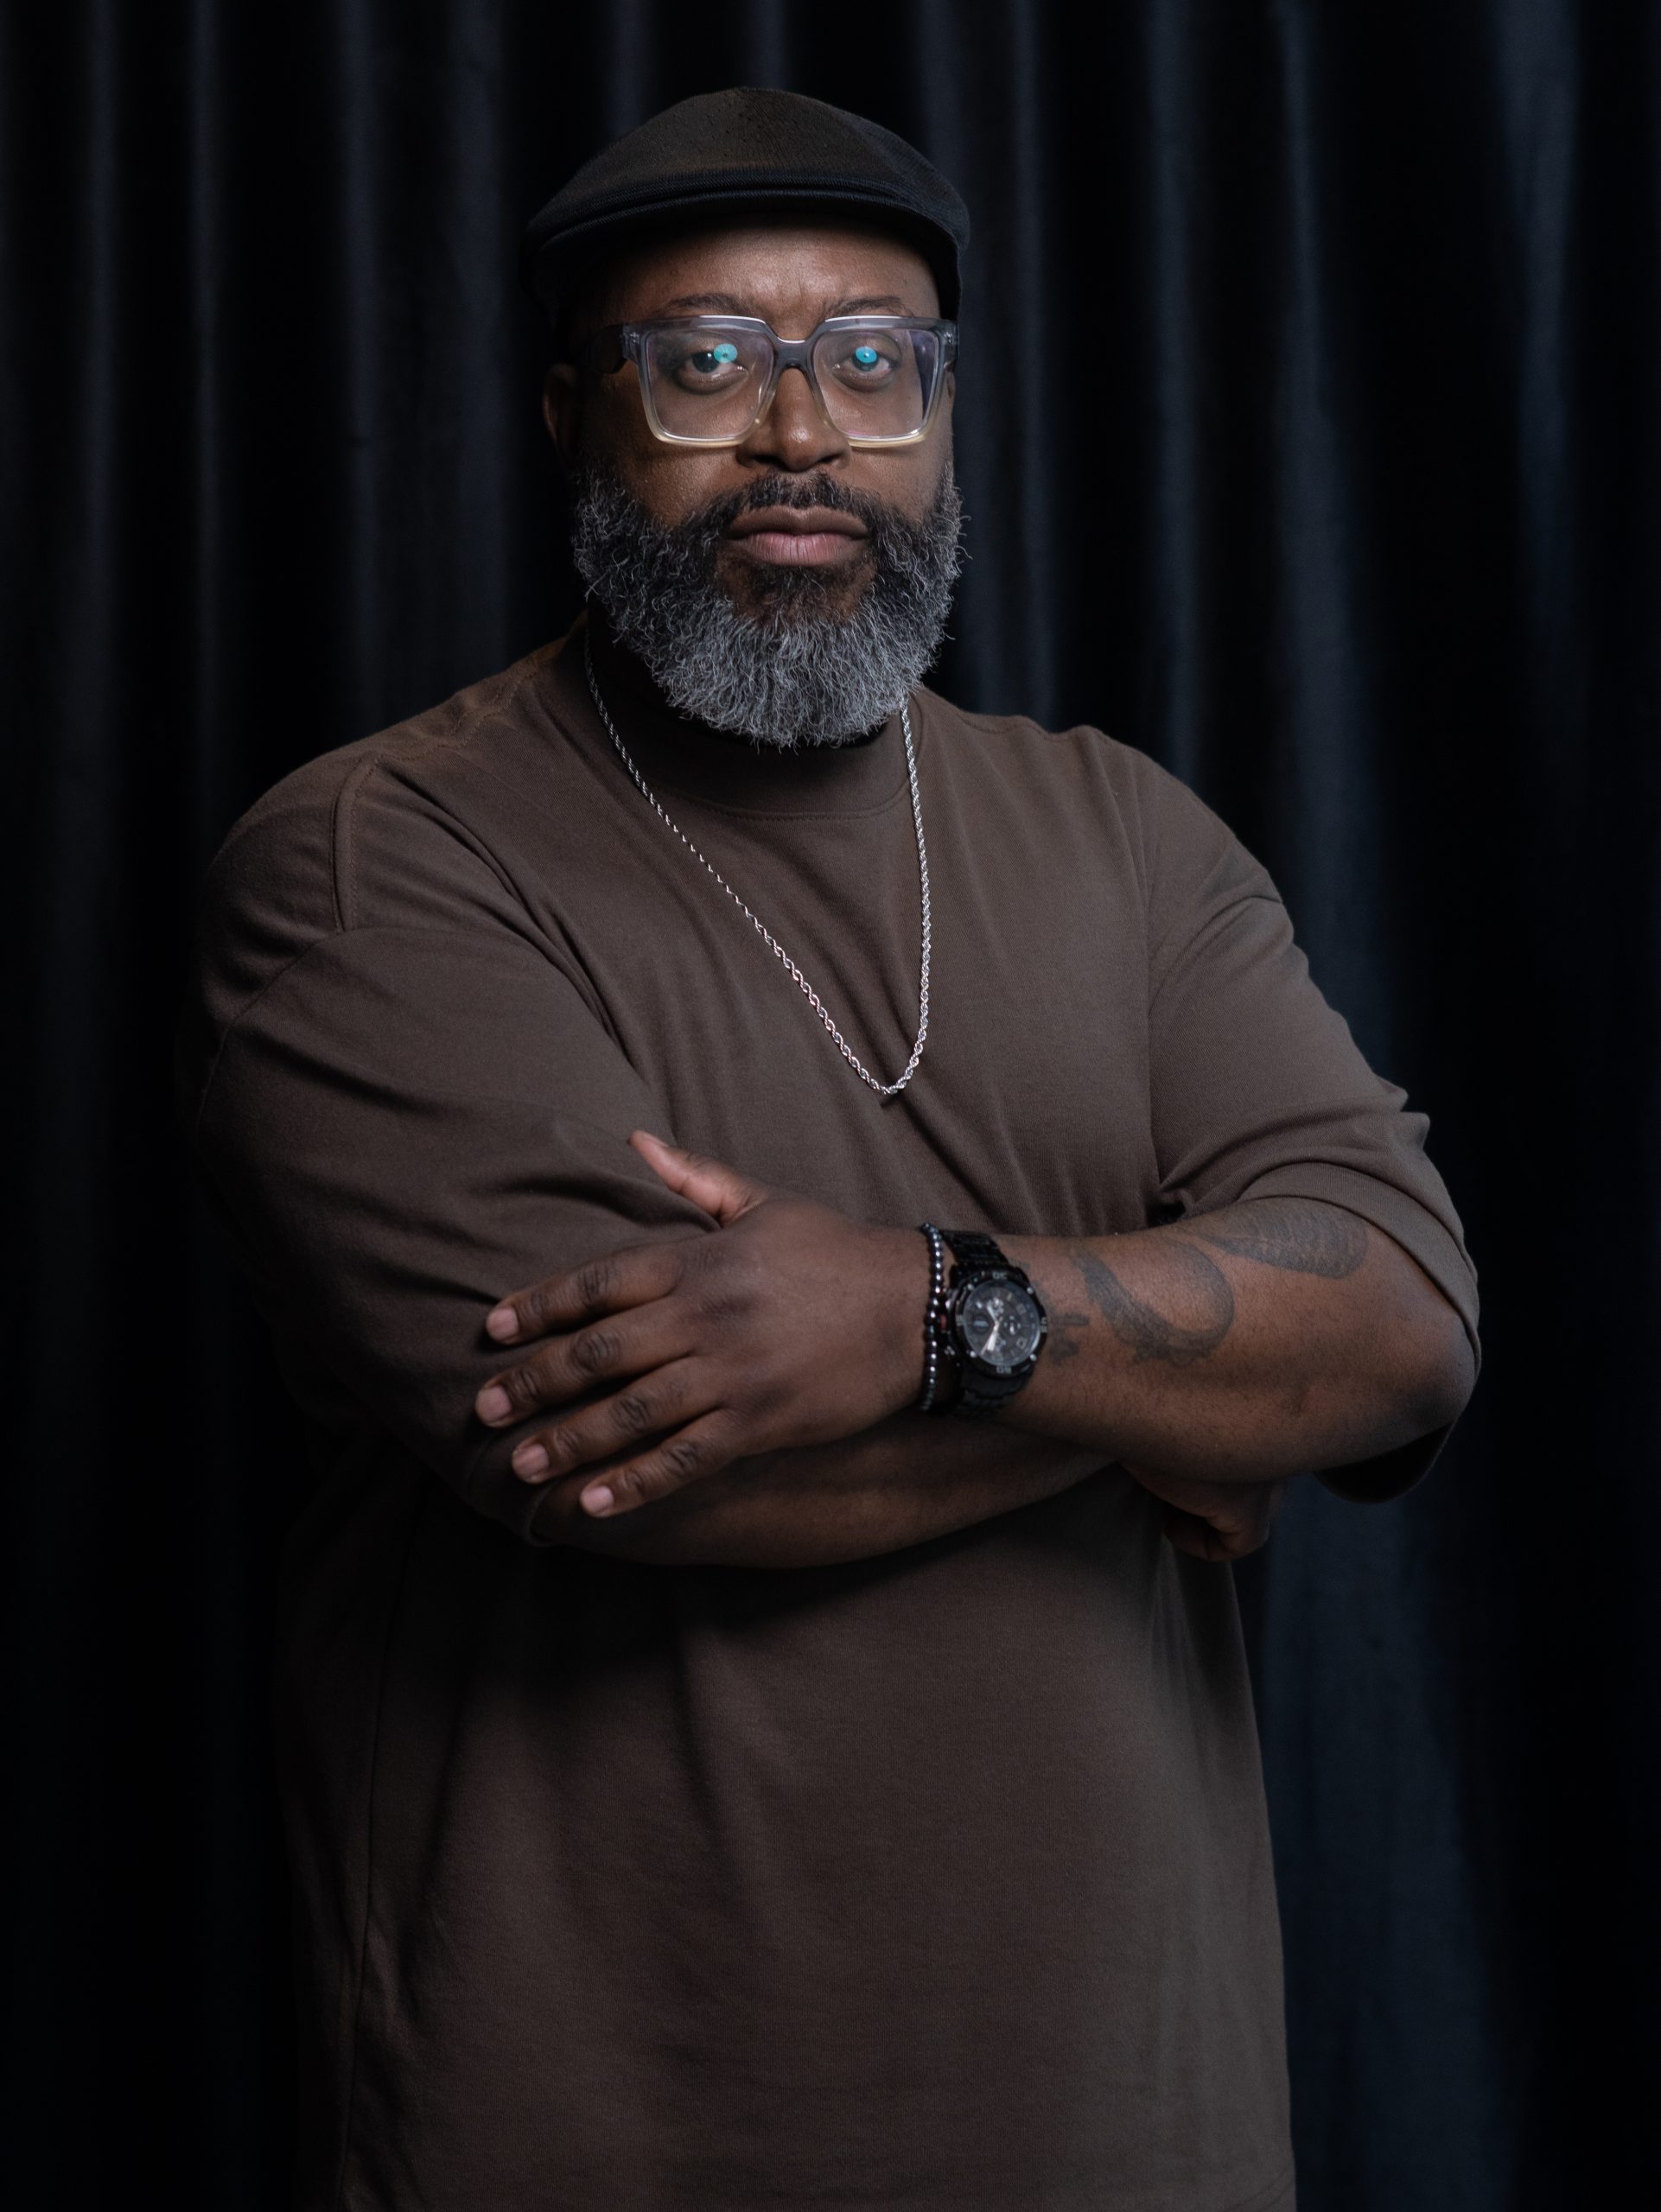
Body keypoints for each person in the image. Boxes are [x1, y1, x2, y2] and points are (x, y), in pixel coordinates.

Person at [181, 86, 1478, 2212]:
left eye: (872, 362)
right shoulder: (372, 858)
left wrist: (917, 1311)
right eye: (704, 361)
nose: (801, 432)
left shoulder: (1125, 833)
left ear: (941, 419)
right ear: (571, 416)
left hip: (1137, 2134)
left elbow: (1407, 1327)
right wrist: (1177, 1394)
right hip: (599, 2125)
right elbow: (634, 1461)